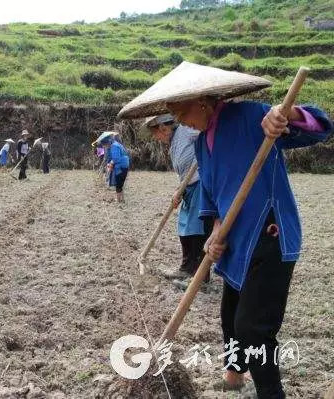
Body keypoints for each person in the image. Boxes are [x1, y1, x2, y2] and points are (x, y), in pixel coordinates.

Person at [119, 62, 333, 397]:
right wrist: (216, 231)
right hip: (234, 242)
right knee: (230, 316)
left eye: (179, 110)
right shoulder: (203, 143)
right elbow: (210, 192)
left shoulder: (249, 116)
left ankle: (270, 392)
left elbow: (321, 126)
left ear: (202, 102)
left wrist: (284, 115)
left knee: (254, 327)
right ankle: (234, 375)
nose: (178, 120)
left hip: (268, 234)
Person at [145, 114, 211, 283]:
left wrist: (204, 151)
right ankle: (186, 269)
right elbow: (183, 172)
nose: (156, 138)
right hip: (187, 186)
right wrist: (178, 192)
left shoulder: (186, 129)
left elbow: (208, 131)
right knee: (184, 227)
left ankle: (200, 276)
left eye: (155, 134)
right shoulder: (173, 143)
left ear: (163, 128)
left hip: (200, 184)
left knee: (196, 228)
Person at [97, 131, 129, 203]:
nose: (104, 147)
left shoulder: (114, 146)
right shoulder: (115, 144)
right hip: (123, 165)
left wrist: (110, 164)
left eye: (104, 145)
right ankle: (122, 199)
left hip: (121, 166)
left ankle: (118, 200)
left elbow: (116, 158)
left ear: (107, 143)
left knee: (118, 184)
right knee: (120, 184)